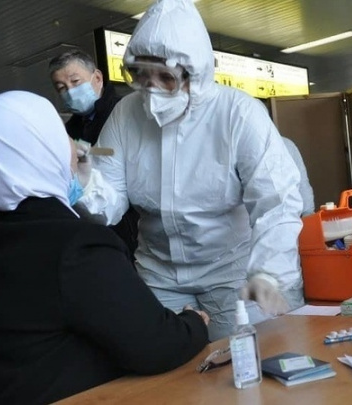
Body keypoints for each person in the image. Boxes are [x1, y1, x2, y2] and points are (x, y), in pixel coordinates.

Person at [73, 0, 305, 341]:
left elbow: (277, 202)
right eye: (141, 76)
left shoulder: (238, 113)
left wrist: (270, 273)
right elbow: (109, 203)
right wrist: (83, 179)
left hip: (232, 272)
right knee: (165, 364)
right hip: (159, 274)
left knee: (243, 360)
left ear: (195, 74)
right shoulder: (126, 114)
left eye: (166, 78)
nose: (151, 90)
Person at [0, 91, 209, 405]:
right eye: (59, 135)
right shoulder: (76, 246)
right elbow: (155, 346)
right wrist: (193, 323)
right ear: (42, 151)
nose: (74, 148)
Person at [49, 49, 140, 261]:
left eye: (75, 82)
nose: (70, 91)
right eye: (61, 88)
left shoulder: (125, 113)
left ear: (97, 78)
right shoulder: (67, 131)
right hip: (94, 232)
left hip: (135, 228)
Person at [281, 137, 315, 216]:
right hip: (256, 220)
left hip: (293, 217)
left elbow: (303, 184)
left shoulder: (287, 145)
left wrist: (308, 215)